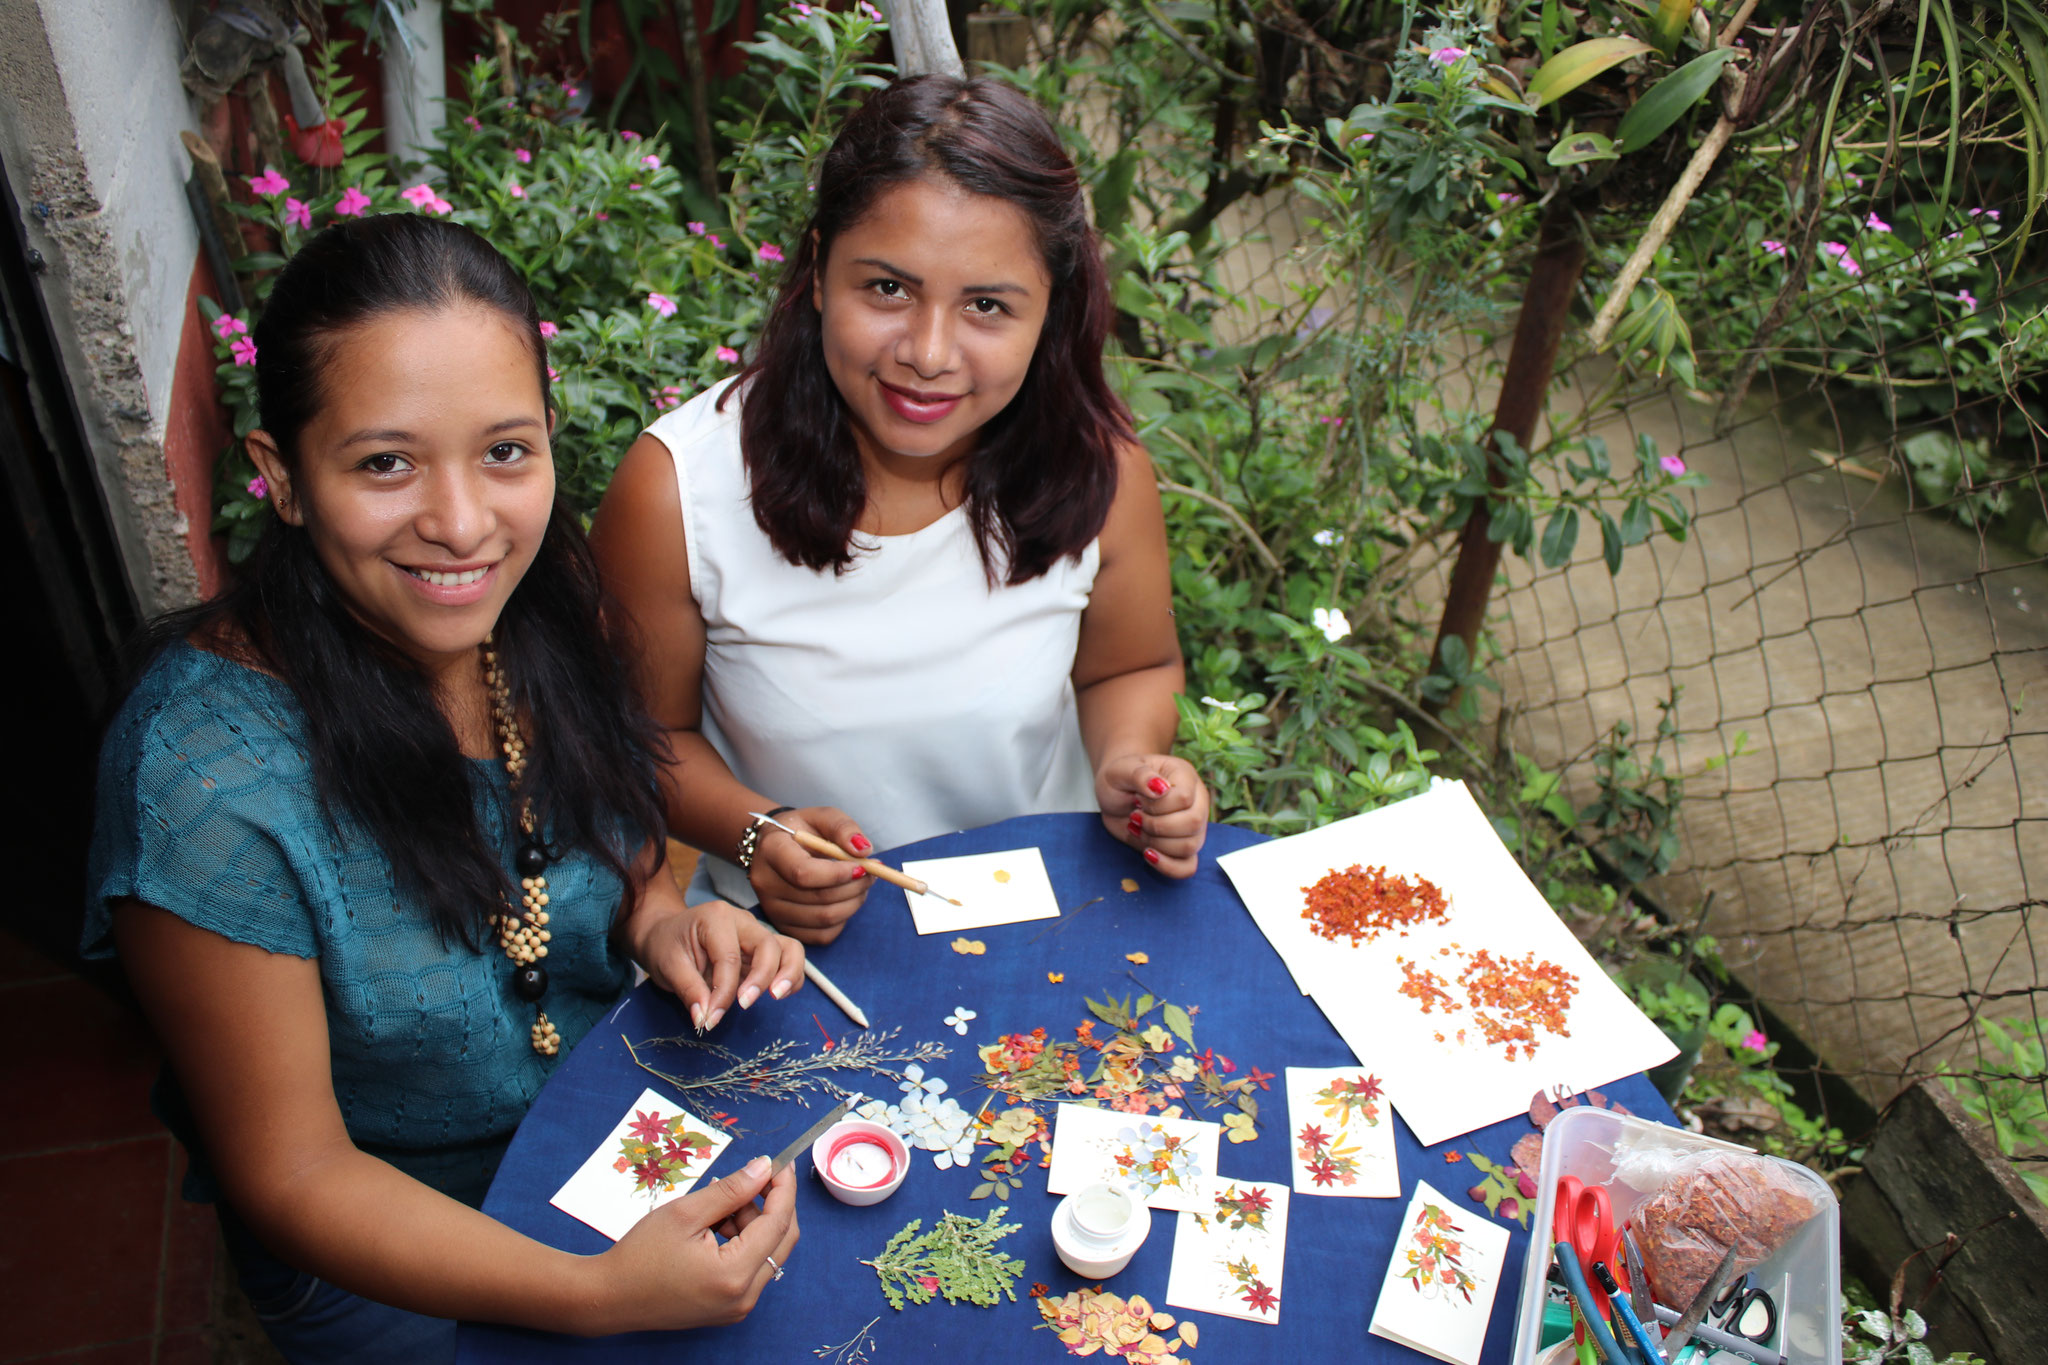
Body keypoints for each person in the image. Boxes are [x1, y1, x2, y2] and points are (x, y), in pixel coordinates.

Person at [85, 215, 806, 1360]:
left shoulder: (534, 603)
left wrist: (663, 917)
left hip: (604, 1131)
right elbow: (295, 1173)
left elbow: (610, 824)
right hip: (393, 1249)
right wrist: (597, 1296)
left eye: (505, 451)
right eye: (385, 463)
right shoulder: (205, 782)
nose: (462, 522)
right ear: (280, 476)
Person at [592, 75, 1211, 942]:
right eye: (886, 288)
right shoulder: (678, 491)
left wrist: (1132, 765)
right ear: (815, 271)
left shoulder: (1099, 471)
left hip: (1043, 924)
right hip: (787, 946)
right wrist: (756, 829)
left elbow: (1128, 669)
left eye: (987, 306)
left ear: (1051, 311)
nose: (927, 353)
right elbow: (636, 739)